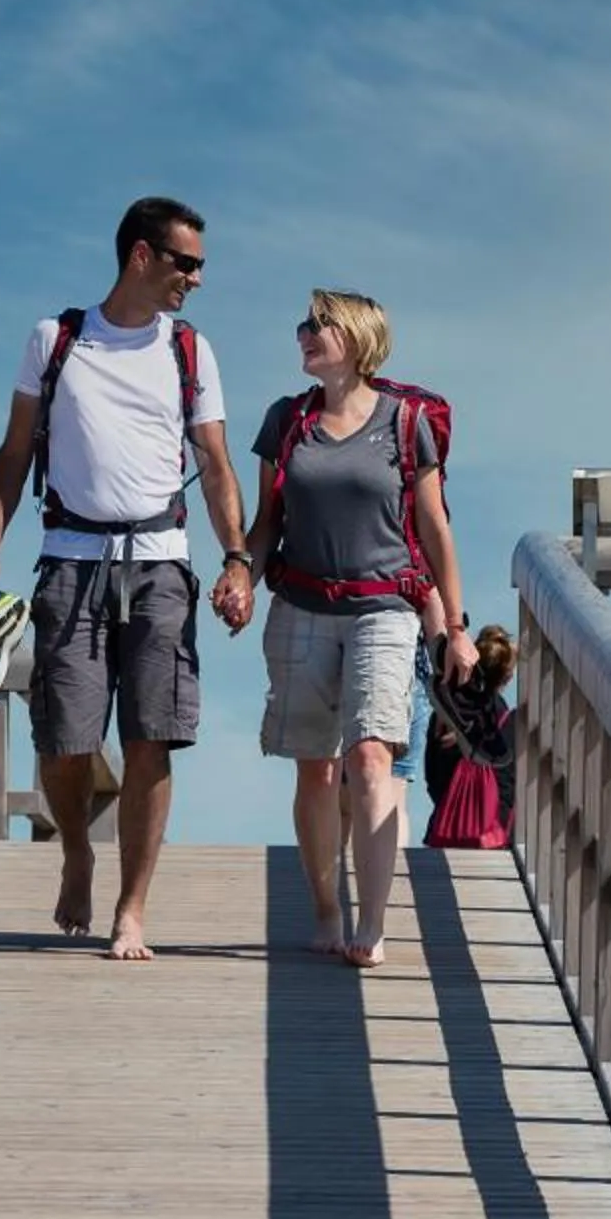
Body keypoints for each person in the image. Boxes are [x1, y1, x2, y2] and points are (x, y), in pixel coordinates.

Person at [0, 197, 253, 962]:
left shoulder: (191, 350)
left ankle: (132, 908)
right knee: (64, 740)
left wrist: (237, 560)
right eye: (184, 263)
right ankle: (76, 852)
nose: (194, 279)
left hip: (160, 561)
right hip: (70, 557)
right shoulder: (56, 340)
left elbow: (216, 464)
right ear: (140, 255)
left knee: (151, 737)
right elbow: (14, 450)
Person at [243, 289, 467, 967]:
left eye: (320, 324)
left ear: (358, 338)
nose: (304, 333)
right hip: (303, 605)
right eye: (303, 324)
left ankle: (372, 921)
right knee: (315, 769)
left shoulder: (404, 423)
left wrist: (454, 625)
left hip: (384, 609)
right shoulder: (286, 421)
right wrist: (238, 580)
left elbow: (433, 527)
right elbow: (267, 527)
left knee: (371, 756)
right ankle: (325, 907)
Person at [422, 625, 518, 850]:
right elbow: (509, 787)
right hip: (494, 835)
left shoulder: (446, 714)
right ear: (508, 676)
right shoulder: (510, 722)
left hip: (446, 829)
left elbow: (432, 776)